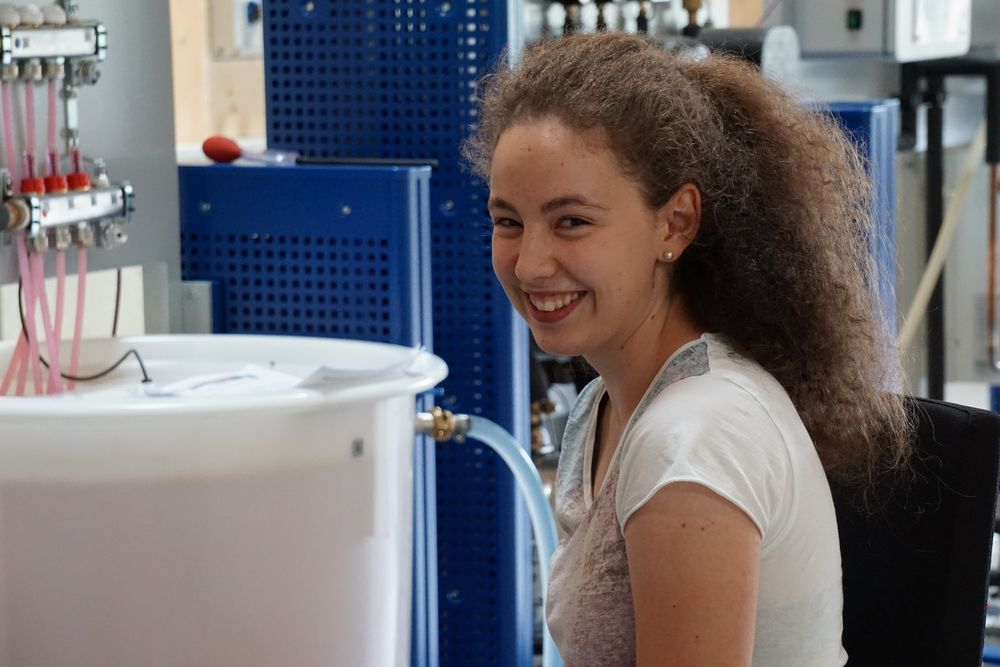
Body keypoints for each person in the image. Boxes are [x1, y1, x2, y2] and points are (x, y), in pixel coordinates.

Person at [463, 32, 911, 667]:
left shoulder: (692, 441)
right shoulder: (604, 405)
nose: (530, 263)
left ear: (674, 223)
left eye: (572, 222)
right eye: (508, 221)